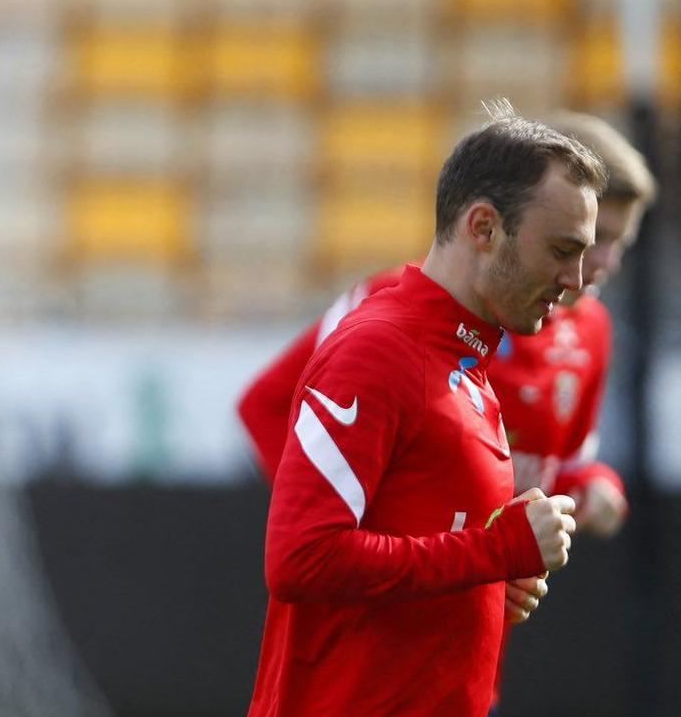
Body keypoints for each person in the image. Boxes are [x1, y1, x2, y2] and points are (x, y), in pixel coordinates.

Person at [203, 102, 601, 717]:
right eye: (563, 249)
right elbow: (300, 557)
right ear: (481, 227)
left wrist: (482, 588)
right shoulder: (379, 348)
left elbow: (424, 544)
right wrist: (489, 556)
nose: (577, 280)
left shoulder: (470, 367)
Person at [238, 110, 657, 631]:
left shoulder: (580, 332)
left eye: (618, 242)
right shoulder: (397, 319)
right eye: (579, 244)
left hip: (469, 640)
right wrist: (348, 521)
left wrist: (589, 488)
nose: (602, 263)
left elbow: (553, 471)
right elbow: (273, 415)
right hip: (381, 630)